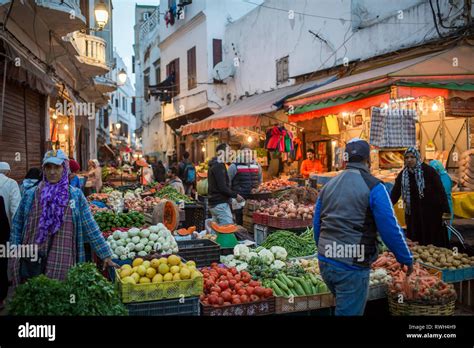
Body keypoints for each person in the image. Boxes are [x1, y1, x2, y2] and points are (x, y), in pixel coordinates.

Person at [313, 139, 413, 316]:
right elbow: (390, 228)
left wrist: (324, 250)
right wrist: (405, 257)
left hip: (325, 261)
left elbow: (317, 224)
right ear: (368, 160)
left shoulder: (328, 186)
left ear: (345, 160)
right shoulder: (375, 186)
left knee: (344, 307)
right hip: (350, 265)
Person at [9, 150, 117, 287]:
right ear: (44, 169)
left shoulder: (75, 195)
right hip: (33, 260)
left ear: (64, 168)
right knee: (36, 299)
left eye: (57, 167)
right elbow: (17, 226)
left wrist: (105, 254)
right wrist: (14, 255)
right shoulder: (31, 195)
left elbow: (90, 225)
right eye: (48, 167)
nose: (52, 172)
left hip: (63, 260)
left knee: (61, 297)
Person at [391, 148, 451, 248]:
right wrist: (385, 208)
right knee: (417, 246)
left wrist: (447, 214)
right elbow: (395, 194)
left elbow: (441, 193)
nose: (409, 160)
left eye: (412, 157)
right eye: (406, 157)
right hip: (414, 218)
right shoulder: (403, 175)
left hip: (432, 216)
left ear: (418, 157)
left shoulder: (429, 171)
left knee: (434, 246)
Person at [0, 162, 21, 309]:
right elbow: (16, 208)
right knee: (3, 261)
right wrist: (16, 231)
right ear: (7, 172)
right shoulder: (11, 183)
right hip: (4, 230)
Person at [208, 143, 244, 225]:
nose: (231, 153)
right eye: (229, 150)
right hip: (220, 204)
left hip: (215, 203)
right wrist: (236, 195)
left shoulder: (216, 164)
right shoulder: (218, 166)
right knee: (227, 229)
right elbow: (222, 187)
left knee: (216, 232)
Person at [228, 147, 263, 225]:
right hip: (239, 199)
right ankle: (240, 236)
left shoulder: (257, 165)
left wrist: (258, 189)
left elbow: (260, 181)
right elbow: (228, 183)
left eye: (249, 153)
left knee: (252, 221)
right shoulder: (234, 166)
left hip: (253, 199)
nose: (247, 155)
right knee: (239, 221)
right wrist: (232, 197)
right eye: (244, 153)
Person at [429, 159, 453, 227]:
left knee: (445, 228)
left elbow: (443, 193)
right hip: (437, 207)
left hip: (445, 206)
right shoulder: (436, 177)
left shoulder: (444, 177)